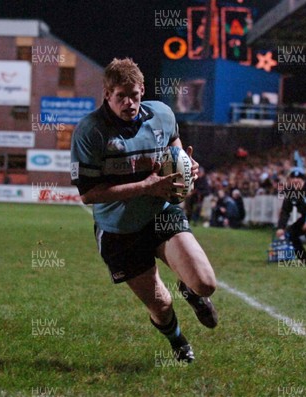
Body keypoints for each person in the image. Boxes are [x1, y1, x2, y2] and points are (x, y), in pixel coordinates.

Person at [70, 58, 217, 363]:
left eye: (134, 96)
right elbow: (88, 194)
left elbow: (174, 143)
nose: (129, 103)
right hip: (118, 230)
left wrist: (186, 165)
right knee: (161, 304)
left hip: (160, 213)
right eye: (121, 96)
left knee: (205, 283)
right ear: (107, 94)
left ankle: (191, 292)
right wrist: (145, 186)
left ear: (143, 91)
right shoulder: (90, 132)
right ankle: (177, 341)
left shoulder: (162, 113)